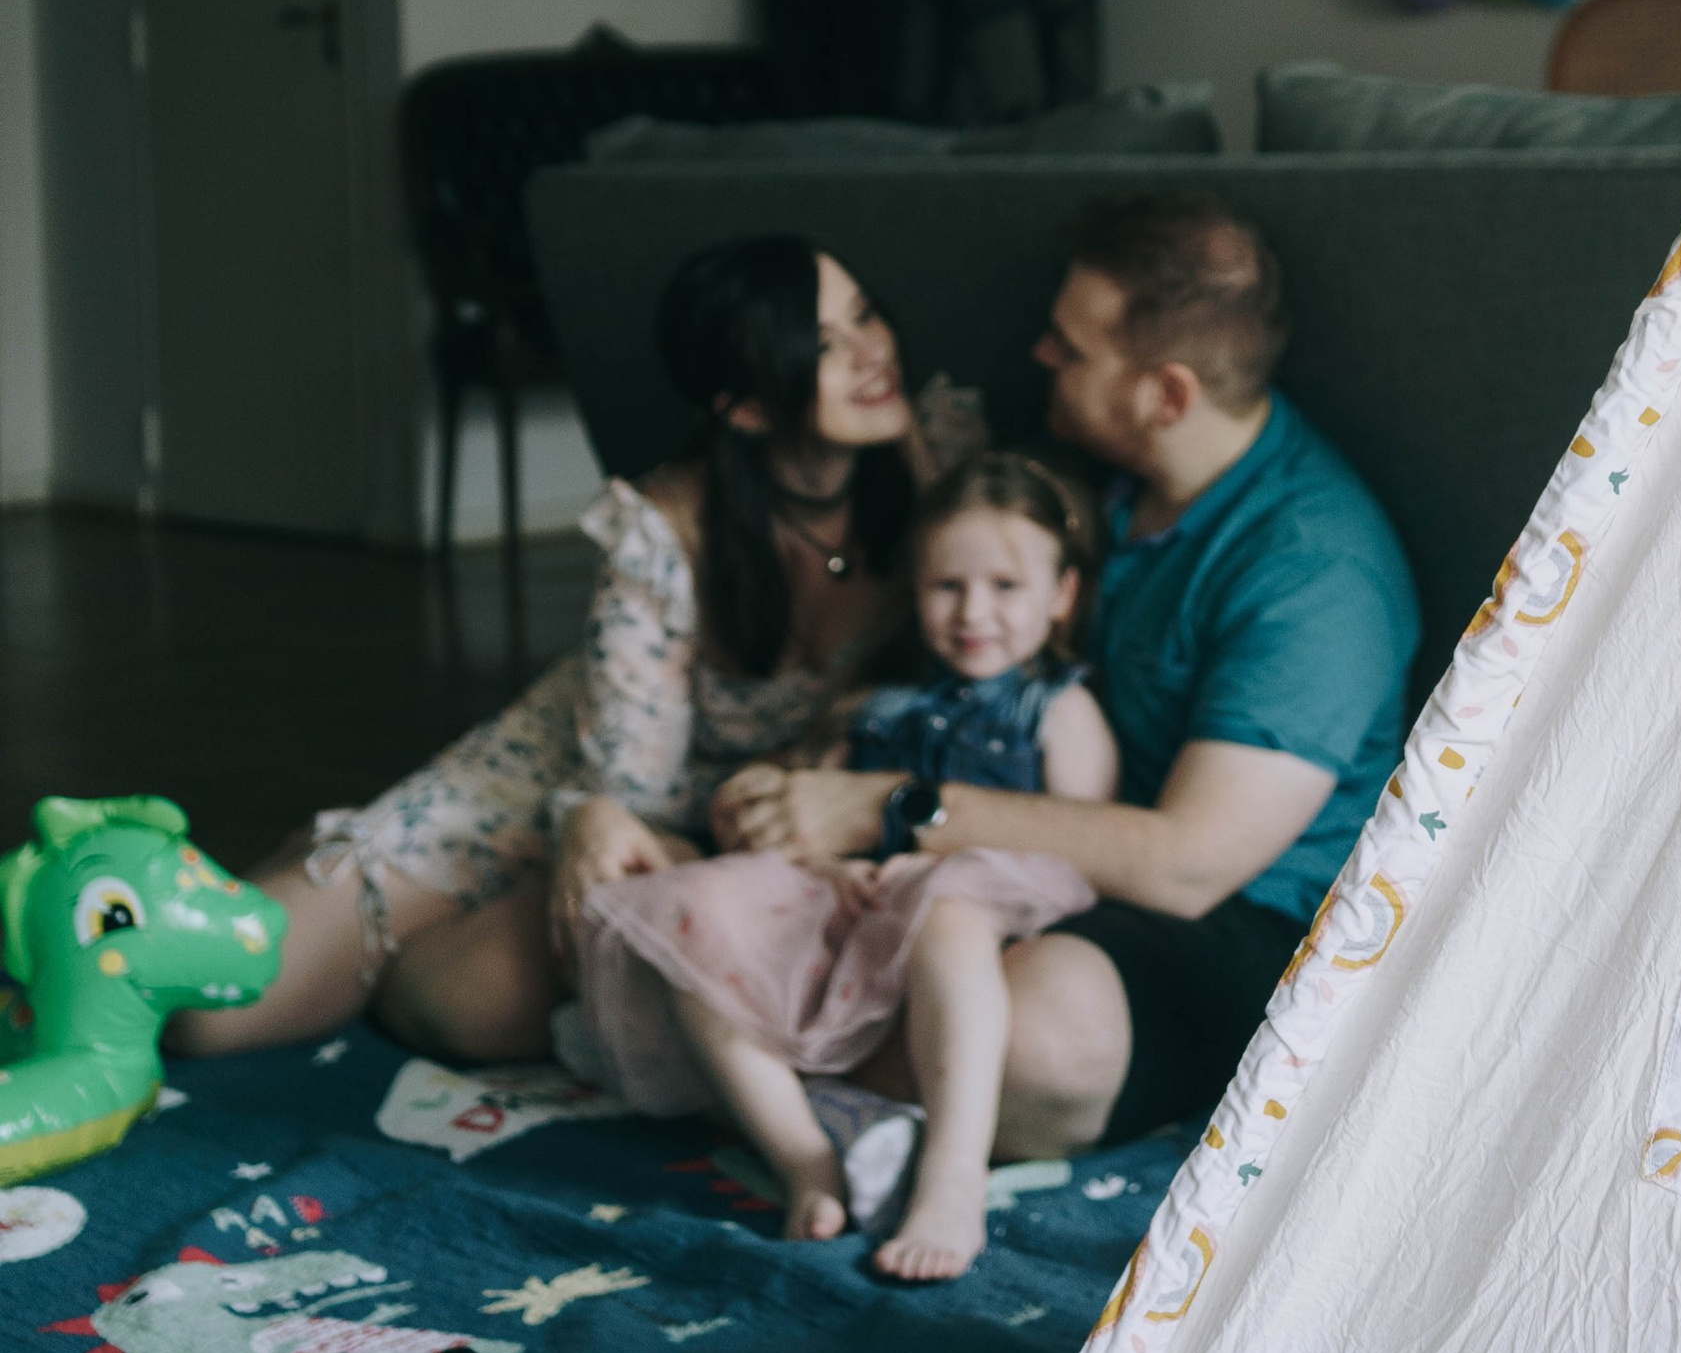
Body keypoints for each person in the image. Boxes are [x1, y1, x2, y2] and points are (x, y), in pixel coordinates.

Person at [718, 190, 1420, 1167]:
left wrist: (889, 805)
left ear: (1165, 394)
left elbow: (1188, 866)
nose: (1040, 357)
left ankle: (744, 1064)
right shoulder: (1090, 485)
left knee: (1035, 1031)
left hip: (1239, 923)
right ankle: (798, 1071)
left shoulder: (1311, 570)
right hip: (1032, 859)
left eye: (1070, 348)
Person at [171, 237, 978, 1063]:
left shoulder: (936, 463)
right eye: (824, 345)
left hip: (731, 825)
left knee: (477, 1011)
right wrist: (595, 825)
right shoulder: (667, 529)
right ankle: (311, 878)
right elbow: (630, 786)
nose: (872, 352)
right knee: (212, 1015)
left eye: (864, 315)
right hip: (575, 782)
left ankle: (425, 958)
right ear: (747, 408)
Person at [575, 452, 1116, 1266]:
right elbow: (801, 819)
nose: (975, 612)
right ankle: (803, 1156)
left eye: (1006, 588)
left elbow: (1081, 845)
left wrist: (939, 863)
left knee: (952, 913)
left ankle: (951, 1176)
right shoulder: (877, 701)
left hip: (970, 915)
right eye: (947, 586)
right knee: (701, 923)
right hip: (853, 910)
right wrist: (832, 868)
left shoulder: (1060, 711)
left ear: (1063, 595)